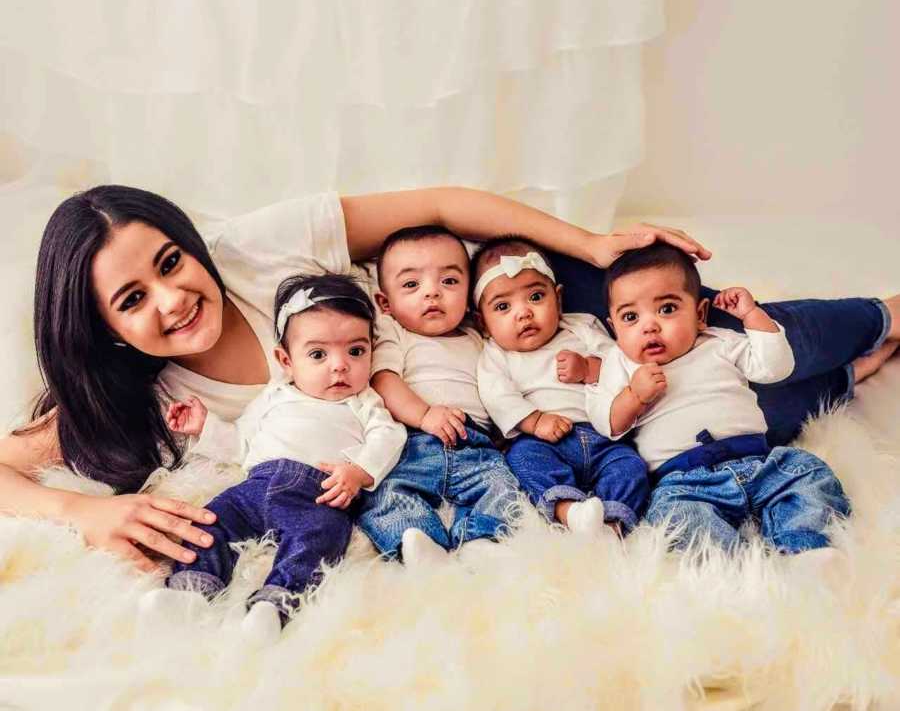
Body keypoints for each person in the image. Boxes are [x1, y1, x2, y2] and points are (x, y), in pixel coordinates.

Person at [0, 184, 895, 571]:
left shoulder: (253, 248)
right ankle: (865, 366)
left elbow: (435, 206)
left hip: (506, 305)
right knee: (754, 409)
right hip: (513, 406)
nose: (171, 296)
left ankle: (884, 312)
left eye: (168, 261)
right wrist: (80, 510)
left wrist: (585, 244)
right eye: (131, 298)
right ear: (102, 329)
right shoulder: (145, 398)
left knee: (726, 334)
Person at [141, 273, 405, 641]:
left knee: (321, 536)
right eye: (318, 354)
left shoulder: (364, 402)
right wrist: (206, 427)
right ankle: (190, 591)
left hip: (318, 491)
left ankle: (275, 603)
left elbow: (389, 435)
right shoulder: (273, 397)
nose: (339, 365)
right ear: (286, 360)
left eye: (356, 351)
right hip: (256, 484)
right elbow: (240, 444)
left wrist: (359, 472)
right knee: (210, 522)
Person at [586, 244, 851, 555]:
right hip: (684, 482)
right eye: (630, 316)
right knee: (676, 517)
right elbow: (607, 423)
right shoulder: (618, 364)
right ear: (614, 329)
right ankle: (733, 569)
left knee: (808, 473)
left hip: (759, 463)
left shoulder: (719, 343)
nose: (650, 325)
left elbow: (774, 368)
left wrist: (752, 316)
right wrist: (634, 396)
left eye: (667, 309)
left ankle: (805, 548)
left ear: (699, 315)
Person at [358, 226, 520, 565]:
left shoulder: (480, 338)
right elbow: (383, 380)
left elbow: (499, 388)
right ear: (385, 303)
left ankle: (480, 540)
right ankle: (416, 542)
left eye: (448, 282)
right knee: (387, 494)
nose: (432, 293)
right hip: (411, 441)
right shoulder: (394, 332)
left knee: (502, 487)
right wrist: (424, 415)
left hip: (473, 442)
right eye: (412, 285)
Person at [473, 236, 648, 537]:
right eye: (503, 306)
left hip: (603, 437)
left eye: (536, 297)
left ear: (559, 298)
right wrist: (534, 420)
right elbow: (496, 395)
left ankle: (612, 523)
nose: (523, 312)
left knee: (631, 467)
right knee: (522, 461)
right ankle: (570, 512)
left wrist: (589, 368)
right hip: (542, 441)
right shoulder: (495, 354)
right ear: (483, 323)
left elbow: (620, 361)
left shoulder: (582, 327)